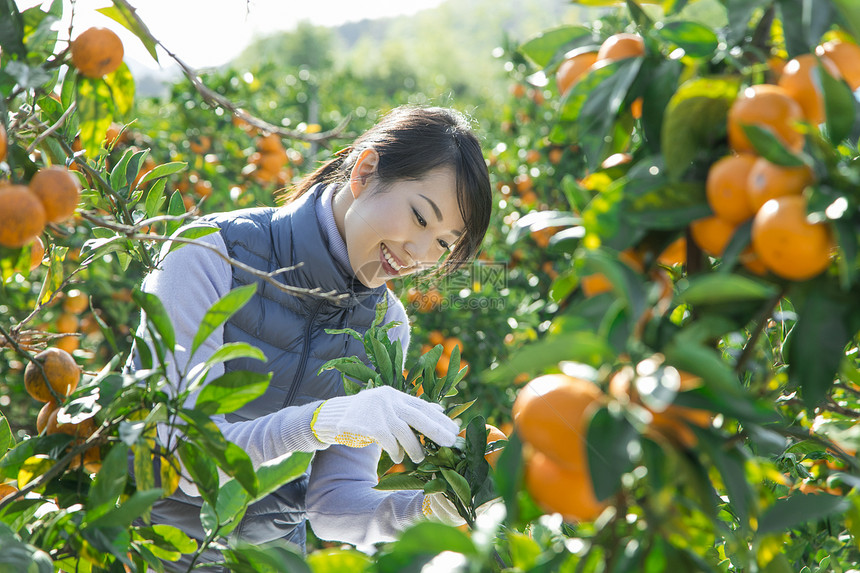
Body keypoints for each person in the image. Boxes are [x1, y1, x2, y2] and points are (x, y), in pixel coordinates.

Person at [128, 105, 493, 570]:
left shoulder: (386, 325)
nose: (420, 255)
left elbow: (334, 507)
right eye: (421, 218)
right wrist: (320, 421)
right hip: (153, 550)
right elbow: (179, 456)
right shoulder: (208, 254)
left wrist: (423, 510)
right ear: (365, 171)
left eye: (444, 244)